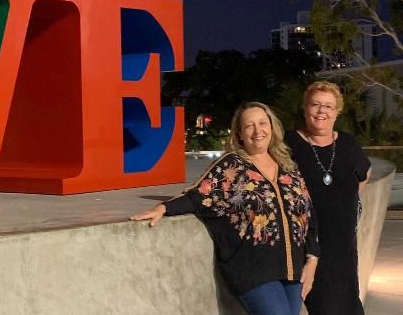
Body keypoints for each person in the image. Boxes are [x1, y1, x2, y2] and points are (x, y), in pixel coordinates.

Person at [132, 102, 319, 315]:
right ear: (239, 134)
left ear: (272, 127)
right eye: (249, 126)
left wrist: (312, 259)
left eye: (262, 123)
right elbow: (200, 196)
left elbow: (308, 215)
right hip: (253, 270)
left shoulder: (288, 168)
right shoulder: (232, 166)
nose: (257, 131)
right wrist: (164, 208)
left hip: (290, 269)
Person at [284, 81, 372, 315]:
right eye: (315, 104)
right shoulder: (289, 143)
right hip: (310, 245)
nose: (322, 111)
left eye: (328, 106)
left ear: (336, 112)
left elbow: (365, 172)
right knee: (325, 307)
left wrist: (347, 203)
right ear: (305, 108)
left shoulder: (347, 143)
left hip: (344, 246)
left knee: (350, 306)